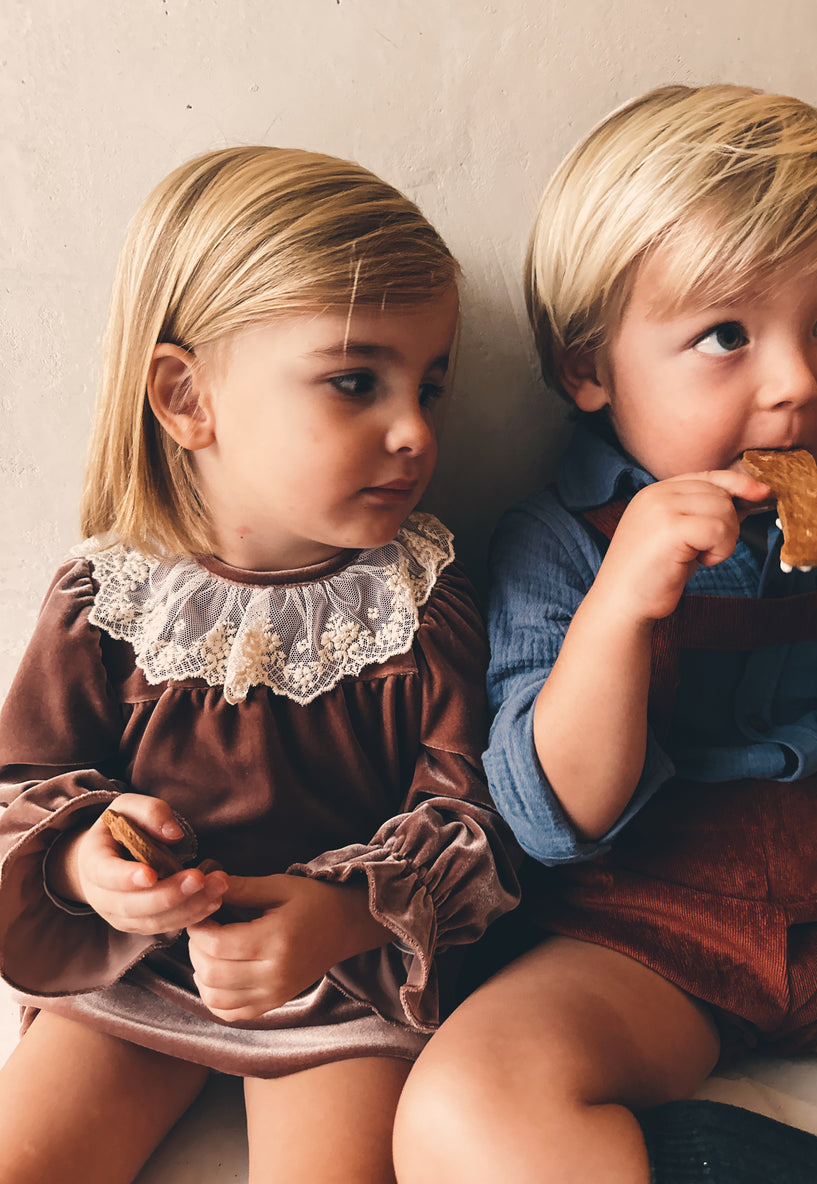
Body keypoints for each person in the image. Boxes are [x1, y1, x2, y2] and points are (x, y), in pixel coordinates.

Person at [393, 85, 817, 1183]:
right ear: (588, 367)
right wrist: (622, 601)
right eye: (726, 334)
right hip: (638, 938)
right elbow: (550, 816)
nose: (798, 384)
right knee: (462, 1109)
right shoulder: (557, 539)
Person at [0, 145, 519, 1184]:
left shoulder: (423, 604)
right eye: (356, 382)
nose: (415, 430)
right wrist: (84, 859)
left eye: (432, 383)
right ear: (187, 397)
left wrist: (336, 916)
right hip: (133, 972)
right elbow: (18, 785)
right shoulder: (107, 601)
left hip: (340, 982)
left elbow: (477, 826)